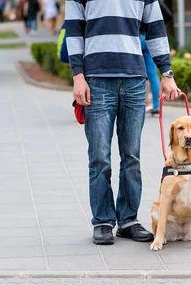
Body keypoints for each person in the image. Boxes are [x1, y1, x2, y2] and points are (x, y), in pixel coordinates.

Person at [65, 0, 181, 245]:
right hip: (96, 80)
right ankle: (103, 221)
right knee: (99, 157)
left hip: (134, 81)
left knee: (132, 156)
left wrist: (167, 74)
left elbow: (156, 28)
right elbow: (74, 30)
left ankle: (128, 221)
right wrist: (78, 76)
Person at [141, 32, 160, 116]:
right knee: (153, 76)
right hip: (149, 38)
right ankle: (156, 106)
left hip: (136, 38)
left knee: (135, 73)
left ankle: (140, 106)